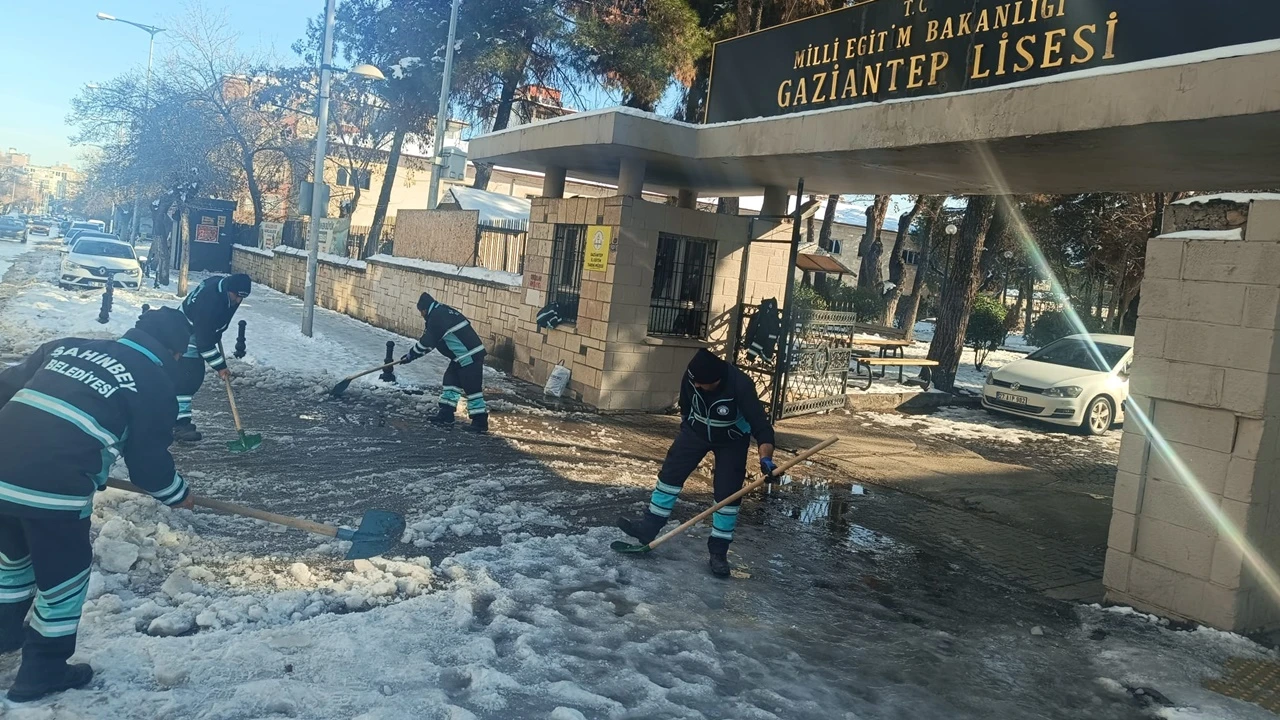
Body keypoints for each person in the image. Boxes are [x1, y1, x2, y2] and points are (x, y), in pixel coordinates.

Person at [0, 308, 195, 703]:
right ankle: (43, 672)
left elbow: (5, 388)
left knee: (12, 561)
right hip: (53, 489)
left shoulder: (67, 347)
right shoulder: (155, 385)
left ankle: (4, 636)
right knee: (63, 580)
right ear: (174, 354)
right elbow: (148, 465)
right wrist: (176, 493)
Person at [617, 349, 776, 578]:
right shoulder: (693, 377)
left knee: (727, 494)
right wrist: (688, 428)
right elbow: (686, 404)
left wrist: (766, 459)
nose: (698, 387)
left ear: (718, 380)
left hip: (731, 439)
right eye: (696, 382)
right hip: (695, 431)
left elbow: (762, 427)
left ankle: (718, 552)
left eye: (703, 384)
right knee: (669, 476)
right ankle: (648, 529)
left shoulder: (740, 385)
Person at [174, 273, 252, 442]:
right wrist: (220, 366)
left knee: (189, 378)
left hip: (198, 329)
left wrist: (217, 332)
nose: (238, 301)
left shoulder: (226, 289)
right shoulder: (210, 303)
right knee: (187, 378)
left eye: (242, 297)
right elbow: (204, 343)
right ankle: (180, 425)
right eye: (236, 296)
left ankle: (175, 420)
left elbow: (219, 321)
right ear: (229, 290)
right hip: (185, 331)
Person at [400, 292, 489, 433]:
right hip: (460, 357)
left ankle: (480, 422)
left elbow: (427, 342)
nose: (422, 315)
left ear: (424, 309)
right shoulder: (441, 311)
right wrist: (413, 355)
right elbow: (431, 342)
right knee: (450, 382)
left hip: (469, 356)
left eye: (421, 312)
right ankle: (446, 414)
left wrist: (411, 355)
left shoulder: (436, 317)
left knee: (472, 390)